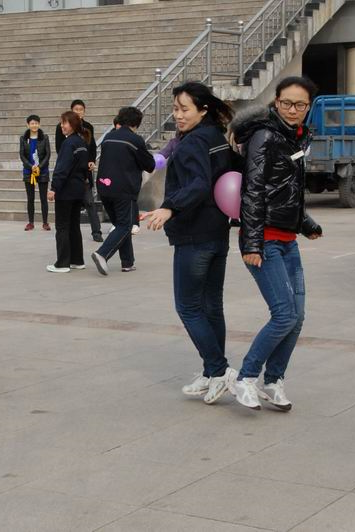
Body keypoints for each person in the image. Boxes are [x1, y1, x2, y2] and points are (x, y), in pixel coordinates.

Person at [229, 76, 323, 411]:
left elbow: (286, 190)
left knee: (297, 317)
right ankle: (246, 377)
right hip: (264, 239)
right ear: (276, 101)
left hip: (287, 240)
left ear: (308, 106)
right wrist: (252, 244)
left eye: (300, 104)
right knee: (284, 314)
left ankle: (273, 379)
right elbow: (253, 190)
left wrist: (306, 224)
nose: (292, 110)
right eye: (286, 103)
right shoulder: (265, 135)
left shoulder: (297, 135)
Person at [141, 83, 238, 405]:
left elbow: (199, 183)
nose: (178, 115)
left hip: (195, 234)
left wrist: (170, 207)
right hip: (217, 231)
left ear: (203, 110)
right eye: (175, 108)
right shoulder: (215, 136)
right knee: (211, 306)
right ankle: (212, 373)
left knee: (188, 306)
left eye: (185, 109)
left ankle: (219, 370)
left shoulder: (195, 141)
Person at [92, 106, 155, 275]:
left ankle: (127, 262)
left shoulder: (108, 137)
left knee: (121, 225)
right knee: (125, 226)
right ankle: (102, 253)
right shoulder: (135, 140)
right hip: (123, 188)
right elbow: (150, 165)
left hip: (104, 186)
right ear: (136, 123)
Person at [46, 111, 90, 273]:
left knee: (63, 227)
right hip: (78, 190)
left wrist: (53, 188)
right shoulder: (81, 142)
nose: (62, 126)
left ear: (72, 124)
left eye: (64, 123)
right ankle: (77, 260)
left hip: (66, 191)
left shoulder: (68, 143)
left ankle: (63, 263)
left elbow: (62, 168)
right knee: (73, 226)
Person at [56, 99, 102, 242]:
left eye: (81, 109)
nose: (78, 112)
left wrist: (91, 161)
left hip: (84, 171)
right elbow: (60, 148)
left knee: (89, 202)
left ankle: (96, 232)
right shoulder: (61, 128)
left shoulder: (88, 127)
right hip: (70, 171)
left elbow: (92, 147)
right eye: (76, 109)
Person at [19, 114, 52, 231]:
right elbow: (22, 155)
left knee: (43, 198)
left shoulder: (44, 137)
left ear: (39, 124)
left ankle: (45, 223)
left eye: (36, 123)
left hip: (42, 171)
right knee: (30, 198)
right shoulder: (23, 138)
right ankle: (31, 222)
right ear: (28, 125)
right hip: (29, 171)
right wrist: (31, 166)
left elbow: (48, 154)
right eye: (32, 123)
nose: (34, 125)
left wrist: (39, 166)